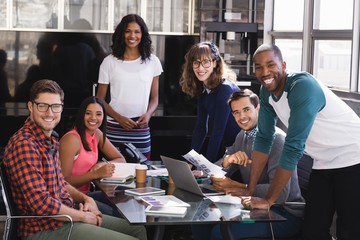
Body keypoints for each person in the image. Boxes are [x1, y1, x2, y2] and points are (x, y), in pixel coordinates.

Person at [2, 79, 147, 240]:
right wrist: (83, 216)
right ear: (31, 106)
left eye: (55, 106)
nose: (50, 113)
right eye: (42, 106)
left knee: (138, 230)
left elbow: (61, 183)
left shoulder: (49, 140)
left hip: (65, 219)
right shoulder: (25, 145)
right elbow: (41, 204)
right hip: (44, 229)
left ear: (61, 108)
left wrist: (86, 198)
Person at [243, 44, 360, 240]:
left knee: (349, 231)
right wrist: (250, 188)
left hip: (354, 157)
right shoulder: (266, 92)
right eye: (258, 67)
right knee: (313, 231)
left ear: (284, 65)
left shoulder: (302, 87)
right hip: (323, 162)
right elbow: (263, 139)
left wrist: (268, 200)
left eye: (271, 65)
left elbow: (293, 147)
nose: (265, 72)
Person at [191, 89, 304, 240]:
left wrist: (241, 188)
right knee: (200, 221)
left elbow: (281, 193)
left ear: (258, 108)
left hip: (283, 214)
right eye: (236, 112)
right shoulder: (242, 136)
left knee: (219, 233)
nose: (241, 116)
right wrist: (227, 160)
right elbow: (222, 166)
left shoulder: (277, 140)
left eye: (246, 110)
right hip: (253, 206)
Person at [96, 14, 163, 162]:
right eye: (128, 31)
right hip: (114, 128)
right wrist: (118, 118)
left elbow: (155, 98)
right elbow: (99, 99)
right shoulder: (109, 62)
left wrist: (149, 114)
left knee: (141, 174)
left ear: (142, 34)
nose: (132, 35)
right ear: (122, 33)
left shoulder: (153, 62)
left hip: (140, 129)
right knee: (113, 176)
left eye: (137, 31)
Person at [59, 96, 126, 216]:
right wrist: (95, 174)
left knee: (125, 197)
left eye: (98, 114)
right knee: (116, 213)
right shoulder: (71, 139)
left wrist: (101, 164)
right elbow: (63, 182)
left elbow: (121, 159)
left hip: (86, 195)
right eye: (88, 113)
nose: (93, 118)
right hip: (70, 200)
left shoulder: (97, 134)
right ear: (81, 115)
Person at [179, 41, 241, 163]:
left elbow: (218, 131)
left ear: (215, 63)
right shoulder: (204, 89)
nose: (200, 68)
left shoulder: (225, 88)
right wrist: (190, 162)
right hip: (226, 147)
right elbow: (201, 128)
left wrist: (207, 167)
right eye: (196, 62)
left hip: (239, 150)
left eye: (206, 62)